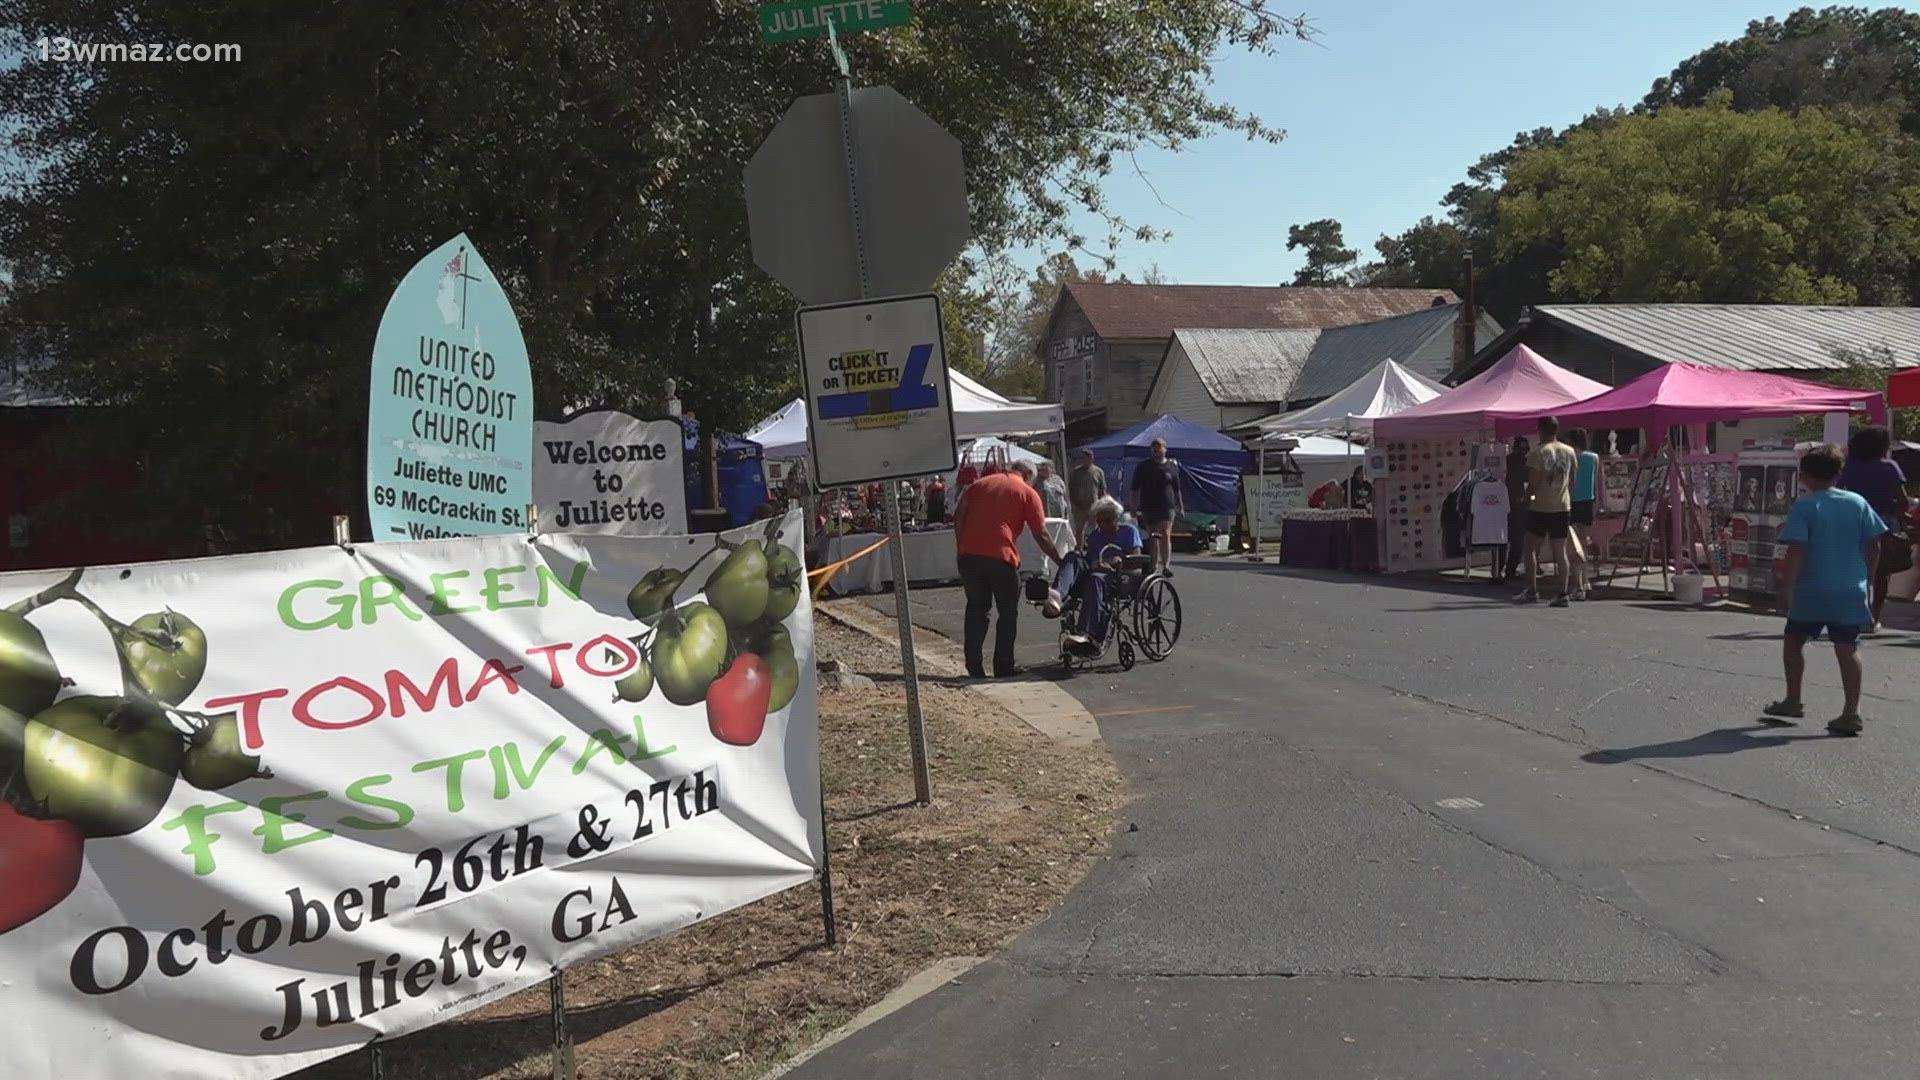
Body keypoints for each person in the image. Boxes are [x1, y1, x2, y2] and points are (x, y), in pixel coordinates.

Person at [1766, 444, 1886, 735]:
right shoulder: (1857, 503)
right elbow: (1875, 544)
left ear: (1804, 476)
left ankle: (1793, 699)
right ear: (1838, 473)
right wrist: (1867, 578)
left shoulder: (1806, 506)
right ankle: (1851, 711)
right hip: (1850, 589)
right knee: (1847, 647)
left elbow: (1797, 550)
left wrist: (1786, 588)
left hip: (1812, 589)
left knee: (1794, 641)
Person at [954, 460, 1067, 679]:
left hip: (970, 555)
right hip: (1001, 557)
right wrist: (1059, 560)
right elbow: (1041, 533)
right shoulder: (1027, 492)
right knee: (1007, 613)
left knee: (977, 609)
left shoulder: (978, 484)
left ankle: (974, 665)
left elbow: (959, 516)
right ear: (1027, 475)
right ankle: (1003, 665)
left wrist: (961, 547)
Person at [1042, 495, 1141, 649]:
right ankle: (1057, 595)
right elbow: (1088, 561)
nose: (1103, 525)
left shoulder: (1129, 531)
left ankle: (1086, 633)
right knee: (1073, 556)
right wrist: (1093, 563)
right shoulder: (1096, 535)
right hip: (1095, 570)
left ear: (1116, 518)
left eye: (1107, 521)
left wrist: (1115, 562)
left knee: (1095, 578)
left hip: (1118, 576)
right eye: (1099, 521)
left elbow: (1136, 559)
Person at [1839, 425, 1910, 633]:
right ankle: (1871, 617)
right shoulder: (1889, 467)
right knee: (1880, 572)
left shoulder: (1848, 467)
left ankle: (1848, 613)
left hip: (1853, 520)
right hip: (1883, 522)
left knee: (1851, 569)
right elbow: (1902, 499)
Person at [1518, 416, 1577, 606]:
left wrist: (1526, 498)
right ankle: (1563, 593)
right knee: (1560, 551)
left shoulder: (1538, 453)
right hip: (1562, 506)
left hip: (1541, 507)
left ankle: (1532, 590)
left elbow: (1533, 483)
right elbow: (1572, 480)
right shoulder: (1569, 452)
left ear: (1541, 430)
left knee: (1529, 548)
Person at [1131, 437, 1184, 574]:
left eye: (1159, 449)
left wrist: (1180, 506)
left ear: (1165, 450)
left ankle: (1166, 566)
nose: (1156, 452)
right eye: (1154, 450)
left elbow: (1177, 488)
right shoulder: (1144, 466)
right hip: (1149, 505)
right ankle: (1154, 565)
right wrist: (1133, 507)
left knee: (1165, 534)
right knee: (1153, 536)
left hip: (1167, 506)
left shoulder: (1171, 467)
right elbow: (1135, 488)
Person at [1567, 429, 1601, 599]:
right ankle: (1586, 579)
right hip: (1589, 501)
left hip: (1572, 502)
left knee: (1572, 545)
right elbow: (1597, 481)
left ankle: (1578, 581)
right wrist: (1599, 502)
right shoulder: (1594, 457)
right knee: (1583, 542)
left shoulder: (1569, 456)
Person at [1503, 436, 1531, 583]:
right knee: (1517, 540)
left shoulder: (1508, 461)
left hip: (1510, 503)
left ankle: (1506, 569)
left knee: (1509, 540)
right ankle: (1509, 570)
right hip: (1517, 503)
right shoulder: (1524, 462)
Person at [1067, 448, 1107, 545]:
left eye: (1088, 457)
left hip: (1094, 505)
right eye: (1084, 457)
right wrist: (1074, 502)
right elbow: (1070, 488)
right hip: (1079, 506)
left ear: (1092, 458)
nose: (1086, 459)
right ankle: (1079, 549)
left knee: (1095, 529)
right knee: (1079, 530)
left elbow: (1102, 488)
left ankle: (1095, 546)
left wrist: (1103, 504)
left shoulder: (1098, 471)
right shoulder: (1076, 472)